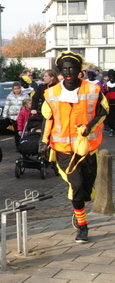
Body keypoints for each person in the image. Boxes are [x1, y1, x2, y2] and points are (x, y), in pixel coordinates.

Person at [40, 51, 109, 243]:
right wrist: (43, 142)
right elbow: (48, 119)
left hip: (87, 148)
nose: (68, 72)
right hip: (62, 148)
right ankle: (82, 226)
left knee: (86, 187)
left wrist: (90, 126)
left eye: (72, 68)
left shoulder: (94, 90)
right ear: (60, 71)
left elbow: (103, 112)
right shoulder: (51, 93)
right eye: (64, 69)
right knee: (76, 185)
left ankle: (81, 203)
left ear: (79, 71)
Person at [2, 81, 29, 149]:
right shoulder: (10, 96)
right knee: (16, 131)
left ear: (20, 88)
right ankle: (18, 145)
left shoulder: (25, 95)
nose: (17, 90)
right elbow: (7, 106)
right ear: (13, 89)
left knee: (23, 130)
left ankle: (23, 143)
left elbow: (28, 104)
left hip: (22, 115)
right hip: (13, 116)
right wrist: (5, 115)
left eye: (18, 88)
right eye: (15, 89)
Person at [102, 69, 115, 137]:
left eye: (113, 77)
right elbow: (103, 93)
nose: (112, 78)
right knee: (110, 117)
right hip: (109, 103)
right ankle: (112, 129)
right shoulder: (106, 85)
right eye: (110, 77)